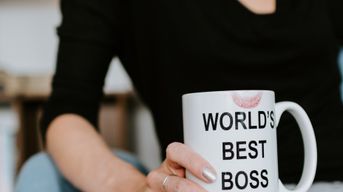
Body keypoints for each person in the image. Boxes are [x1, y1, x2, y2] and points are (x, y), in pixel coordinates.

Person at [16, 0, 343, 191]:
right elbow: (67, 112)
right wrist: (138, 188)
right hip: (200, 188)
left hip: (328, 179)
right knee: (40, 172)